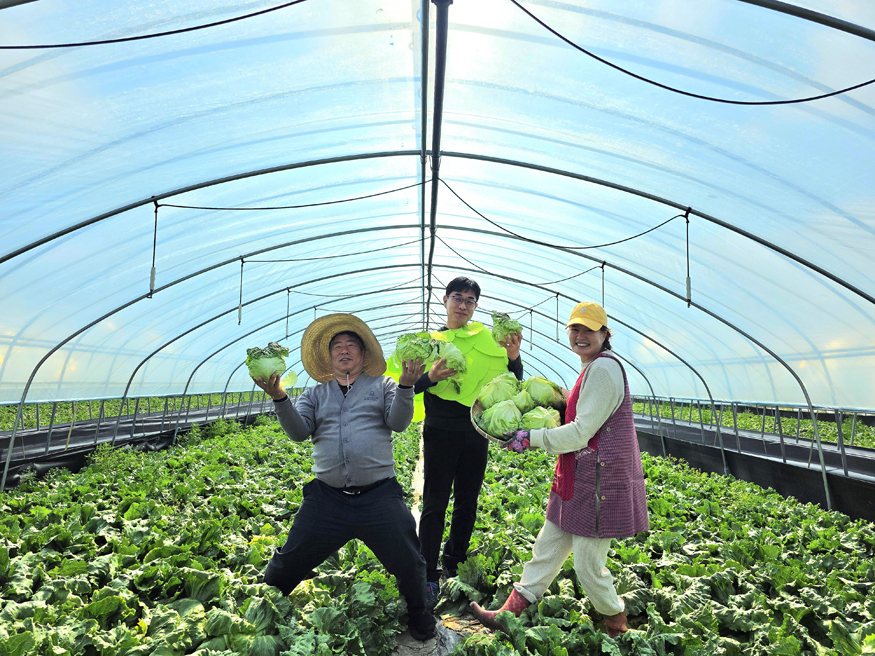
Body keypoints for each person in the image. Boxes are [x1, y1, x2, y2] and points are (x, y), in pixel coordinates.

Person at [468, 301, 649, 638]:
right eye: (575, 329)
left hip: (599, 483)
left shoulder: (605, 369)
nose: (580, 336)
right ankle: (510, 612)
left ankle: (616, 622)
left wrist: (531, 437)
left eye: (589, 330)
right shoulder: (593, 367)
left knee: (588, 567)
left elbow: (582, 431)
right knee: (548, 547)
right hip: (580, 476)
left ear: (605, 334)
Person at [252, 313, 437, 641]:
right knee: (289, 560)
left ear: (364, 354)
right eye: (337, 345)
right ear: (329, 357)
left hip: (379, 496)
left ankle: (419, 611)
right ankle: (265, 602)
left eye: (352, 344)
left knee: (409, 558)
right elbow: (299, 432)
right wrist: (279, 397)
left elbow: (398, 423)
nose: (345, 349)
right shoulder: (315, 394)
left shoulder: (383, 385)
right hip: (328, 498)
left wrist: (407, 386)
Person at [413, 277, 523, 609]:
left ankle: (454, 562)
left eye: (470, 300)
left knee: (467, 501)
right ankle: (428, 573)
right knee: (434, 503)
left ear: (475, 307)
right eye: (458, 298)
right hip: (438, 431)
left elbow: (513, 381)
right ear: (445, 300)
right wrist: (429, 377)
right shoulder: (429, 342)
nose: (463, 305)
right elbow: (409, 387)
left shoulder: (490, 341)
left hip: (476, 431)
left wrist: (514, 355)